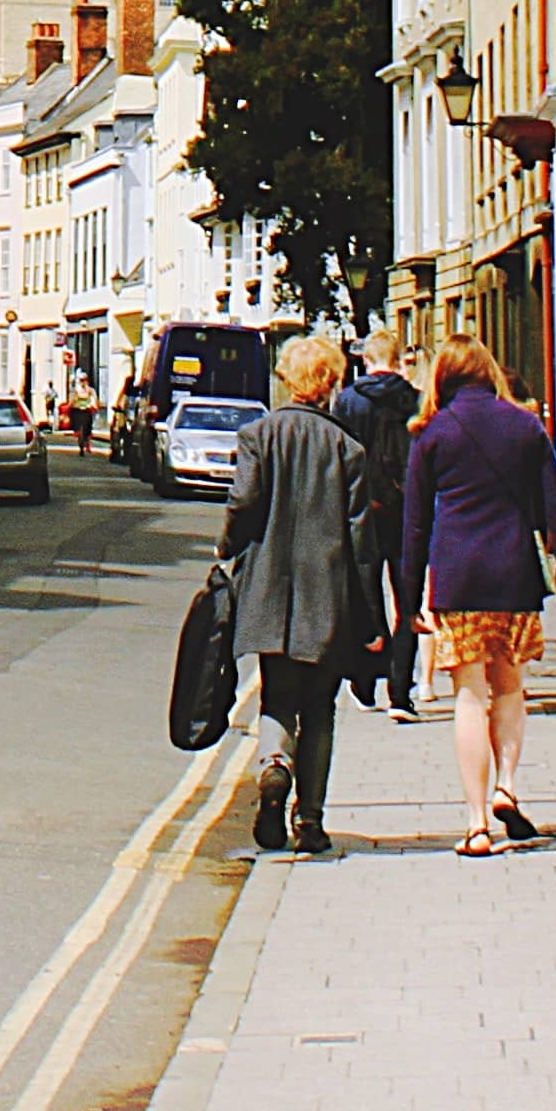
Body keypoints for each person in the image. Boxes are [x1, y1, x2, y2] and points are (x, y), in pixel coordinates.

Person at [397, 339, 556, 851]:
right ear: (487, 373)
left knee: (468, 695)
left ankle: (477, 823)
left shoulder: (431, 434)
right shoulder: (525, 426)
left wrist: (408, 598)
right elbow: (555, 507)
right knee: (509, 687)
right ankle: (507, 786)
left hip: (459, 578)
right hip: (514, 575)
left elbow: (415, 527)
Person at [216, 330, 369, 858]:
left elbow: (244, 502)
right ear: (330, 383)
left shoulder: (259, 435)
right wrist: (371, 620)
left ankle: (274, 765)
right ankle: (311, 822)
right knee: (321, 708)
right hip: (328, 595)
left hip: (269, 590)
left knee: (277, 695)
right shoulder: (347, 448)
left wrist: (227, 547)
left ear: (287, 381)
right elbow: (361, 542)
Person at [339, 353, 422, 716]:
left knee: (366, 595)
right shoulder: (415, 398)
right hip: (406, 508)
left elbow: (339, 456)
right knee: (409, 604)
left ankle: (365, 682)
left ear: (368, 358)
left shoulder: (348, 399)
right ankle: (401, 694)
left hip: (364, 508)